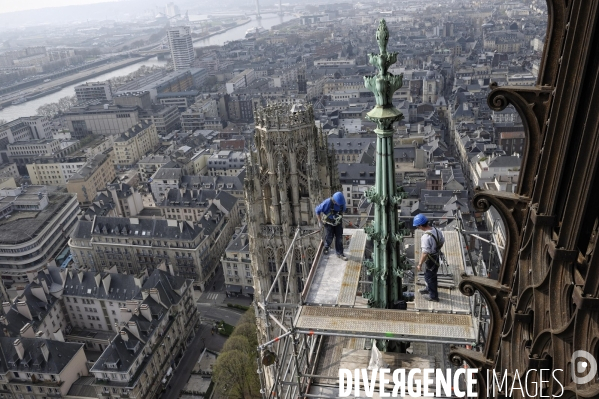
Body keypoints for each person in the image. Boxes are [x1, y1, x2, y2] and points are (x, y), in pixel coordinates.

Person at [414, 214, 445, 302]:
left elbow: (425, 253)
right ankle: (428, 288)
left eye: (417, 226)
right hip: (436, 256)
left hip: (431, 258)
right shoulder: (437, 230)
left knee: (430, 277)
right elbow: (442, 241)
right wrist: (436, 248)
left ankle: (433, 296)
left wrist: (419, 264)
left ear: (420, 225)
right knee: (429, 275)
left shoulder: (425, 237)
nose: (418, 227)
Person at [315, 192, 348, 261]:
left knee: (339, 237)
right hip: (328, 222)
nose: (340, 205)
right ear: (334, 201)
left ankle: (340, 253)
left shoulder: (342, 204)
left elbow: (343, 211)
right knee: (330, 236)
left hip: (337, 221)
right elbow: (317, 210)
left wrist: (338, 217)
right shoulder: (327, 203)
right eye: (338, 204)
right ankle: (326, 247)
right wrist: (319, 221)